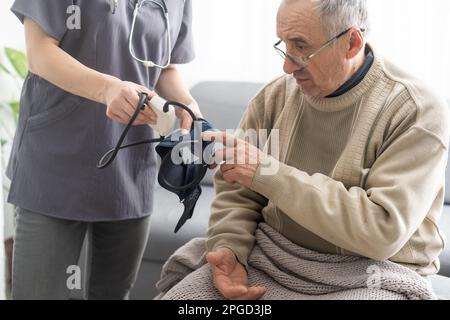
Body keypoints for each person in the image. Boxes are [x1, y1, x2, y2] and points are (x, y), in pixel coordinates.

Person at [164, 0, 449, 300]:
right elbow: (239, 193)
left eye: (301, 46)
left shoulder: (415, 110)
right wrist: (230, 249)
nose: (286, 65)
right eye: (284, 44)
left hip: (373, 273)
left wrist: (266, 173)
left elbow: (381, 231)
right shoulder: (273, 97)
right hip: (276, 256)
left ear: (351, 43)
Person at [6, 0, 201, 300]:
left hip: (130, 168)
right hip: (55, 163)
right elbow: (39, 52)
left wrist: (186, 103)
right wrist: (107, 88)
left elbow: (164, 68)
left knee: (112, 294)